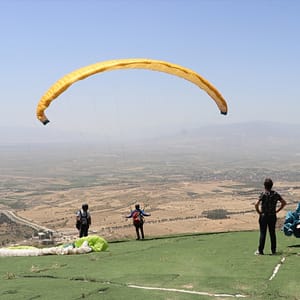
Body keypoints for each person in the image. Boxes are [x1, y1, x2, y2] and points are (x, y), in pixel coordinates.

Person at [254, 178, 286, 255]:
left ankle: (260, 251)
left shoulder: (263, 194)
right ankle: (273, 250)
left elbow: (256, 204)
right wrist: (277, 210)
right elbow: (284, 203)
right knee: (272, 233)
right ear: (272, 185)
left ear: (265, 185)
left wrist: (259, 212)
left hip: (264, 216)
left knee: (263, 233)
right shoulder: (275, 194)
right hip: (272, 216)